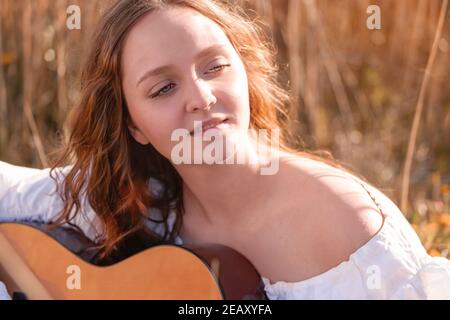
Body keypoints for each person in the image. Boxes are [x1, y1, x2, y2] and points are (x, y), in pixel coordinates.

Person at [1, 0, 449, 300]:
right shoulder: (139, 194)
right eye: (163, 88)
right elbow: (14, 190)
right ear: (132, 125)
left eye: (214, 65)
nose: (201, 96)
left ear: (245, 73)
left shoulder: (345, 231)